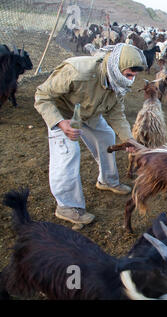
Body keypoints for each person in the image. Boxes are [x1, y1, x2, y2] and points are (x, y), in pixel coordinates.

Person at [34, 43, 147, 226]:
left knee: (106, 136)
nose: (132, 80)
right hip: (63, 114)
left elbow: (116, 113)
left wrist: (129, 139)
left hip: (88, 112)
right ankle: (67, 206)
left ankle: (107, 180)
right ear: (117, 67)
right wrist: (60, 123)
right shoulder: (78, 72)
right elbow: (42, 96)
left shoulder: (118, 81)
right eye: (129, 74)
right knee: (69, 154)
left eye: (135, 75)